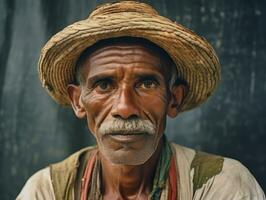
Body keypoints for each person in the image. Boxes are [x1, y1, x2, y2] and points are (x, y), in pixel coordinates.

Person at [17, 1, 265, 200]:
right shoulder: (46, 191)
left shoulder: (222, 186)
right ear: (78, 101)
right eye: (104, 85)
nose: (125, 108)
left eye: (147, 84)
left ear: (173, 100)